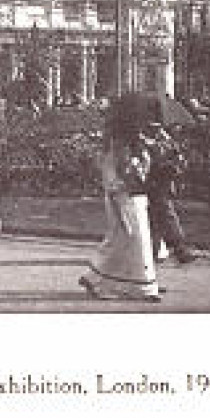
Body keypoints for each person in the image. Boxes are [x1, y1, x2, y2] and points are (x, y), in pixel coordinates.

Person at [78, 122, 161, 302]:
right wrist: (131, 174)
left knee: (134, 241)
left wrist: (144, 162)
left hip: (135, 197)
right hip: (122, 198)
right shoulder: (115, 152)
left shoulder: (135, 148)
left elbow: (142, 173)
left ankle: (138, 285)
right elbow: (113, 180)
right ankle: (106, 280)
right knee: (128, 238)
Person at [145, 125, 197, 265]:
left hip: (162, 182)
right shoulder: (146, 140)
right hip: (153, 182)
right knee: (163, 217)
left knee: (159, 218)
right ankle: (178, 249)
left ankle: (158, 251)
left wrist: (173, 154)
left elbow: (175, 158)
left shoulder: (164, 139)